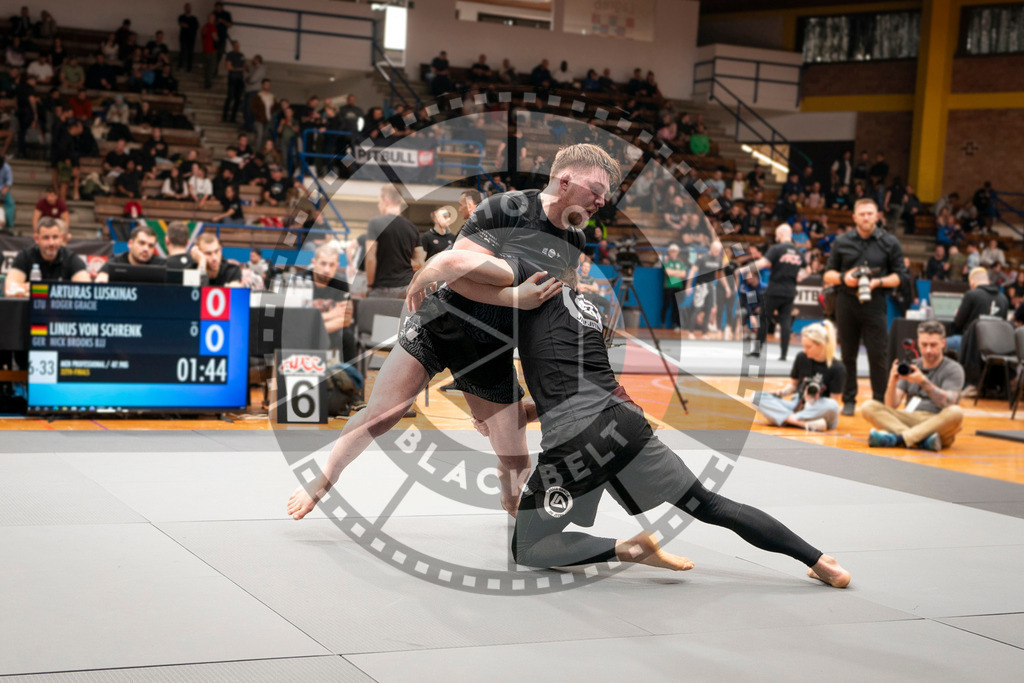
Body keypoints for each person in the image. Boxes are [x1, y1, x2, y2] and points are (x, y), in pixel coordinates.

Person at [298, 247, 853, 588]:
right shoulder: (595, 313)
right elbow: (574, 383)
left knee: (528, 548)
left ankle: (626, 548)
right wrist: (510, 408)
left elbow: (459, 271)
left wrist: (462, 286)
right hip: (628, 425)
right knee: (709, 504)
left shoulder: (534, 294)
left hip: (573, 448)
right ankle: (819, 558)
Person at [288, 143, 622, 520]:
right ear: (565, 181)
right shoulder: (504, 209)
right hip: (442, 322)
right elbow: (455, 275)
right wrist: (513, 296)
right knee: (382, 414)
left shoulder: (573, 240)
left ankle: (517, 519)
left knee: (516, 463)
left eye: (605, 194)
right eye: (596, 190)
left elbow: (554, 300)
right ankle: (325, 477)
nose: (602, 200)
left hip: (493, 350)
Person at [823, 198, 907, 415]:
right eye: (862, 214)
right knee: (848, 353)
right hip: (846, 301)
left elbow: (900, 276)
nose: (866, 217)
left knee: (878, 354)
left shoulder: (890, 242)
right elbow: (827, 274)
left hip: (875, 301)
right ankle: (849, 399)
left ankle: (879, 401)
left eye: (870, 213)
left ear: (877, 216)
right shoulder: (841, 241)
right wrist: (844, 277)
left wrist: (878, 282)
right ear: (854, 217)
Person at [862, 321, 965, 452]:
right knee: (868, 407)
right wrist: (892, 382)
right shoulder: (911, 366)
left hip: (936, 422)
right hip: (909, 419)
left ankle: (899, 439)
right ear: (918, 343)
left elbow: (948, 402)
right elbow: (891, 405)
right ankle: (921, 441)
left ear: (943, 343)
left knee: (956, 412)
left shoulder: (953, 369)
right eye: (924, 344)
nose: (928, 350)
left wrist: (923, 381)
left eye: (933, 345)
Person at [751, 321, 844, 431]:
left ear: (821, 345)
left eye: (808, 347)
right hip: (797, 405)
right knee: (756, 397)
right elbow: (794, 386)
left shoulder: (837, 367)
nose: (804, 350)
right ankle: (802, 423)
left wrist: (812, 401)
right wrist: (782, 392)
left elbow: (835, 402)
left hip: (818, 409)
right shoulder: (801, 357)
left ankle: (783, 419)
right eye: (803, 346)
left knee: (832, 405)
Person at [746, 224, 803, 360]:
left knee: (764, 319)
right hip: (789, 291)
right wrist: (796, 276)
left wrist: (745, 269)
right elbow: (805, 272)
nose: (776, 238)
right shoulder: (798, 252)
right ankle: (783, 354)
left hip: (774, 289)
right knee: (785, 322)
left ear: (782, 234)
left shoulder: (777, 248)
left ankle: (757, 351)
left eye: (777, 235)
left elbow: (762, 263)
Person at [5, 216, 91, 296]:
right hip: (30, 310)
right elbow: (9, 290)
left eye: (55, 237)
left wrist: (35, 289)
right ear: (36, 239)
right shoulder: (25, 256)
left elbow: (87, 290)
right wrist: (47, 290)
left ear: (61, 238)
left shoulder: (71, 258)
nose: (51, 243)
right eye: (46, 238)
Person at [365, 185, 424, 299]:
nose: (379, 205)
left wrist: (370, 285)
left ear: (386, 201)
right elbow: (420, 261)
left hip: (382, 288)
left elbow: (370, 257)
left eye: (379, 202)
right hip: (406, 287)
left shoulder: (375, 223)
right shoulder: (412, 228)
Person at [947, 266, 1009, 360]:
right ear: (987, 281)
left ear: (972, 282)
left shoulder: (971, 295)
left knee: (942, 343)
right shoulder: (1004, 299)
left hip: (972, 344)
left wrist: (957, 315)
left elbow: (958, 323)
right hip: (996, 347)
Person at [307, 243, 355, 361]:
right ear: (314, 262)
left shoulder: (341, 283)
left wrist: (314, 324)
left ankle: (350, 377)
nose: (327, 269)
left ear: (337, 266)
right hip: (304, 332)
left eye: (331, 265)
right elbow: (299, 320)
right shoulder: (302, 281)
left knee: (348, 336)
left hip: (330, 330)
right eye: (323, 263)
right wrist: (332, 314)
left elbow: (346, 319)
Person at [95, 224, 167, 282]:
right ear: (130, 243)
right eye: (142, 243)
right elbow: (101, 281)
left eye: (151, 246)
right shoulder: (115, 262)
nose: (146, 249)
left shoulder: (161, 265)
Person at [661, 243, 687, 331]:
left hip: (678, 286)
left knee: (676, 307)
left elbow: (683, 274)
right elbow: (668, 272)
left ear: (677, 252)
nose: (673, 253)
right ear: (669, 252)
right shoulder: (666, 262)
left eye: (675, 251)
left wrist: (673, 272)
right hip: (668, 286)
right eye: (672, 251)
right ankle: (663, 323)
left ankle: (675, 324)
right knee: (666, 305)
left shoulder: (680, 262)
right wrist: (677, 272)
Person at [222, 41, 245, 124]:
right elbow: (229, 67)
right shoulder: (230, 55)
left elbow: (244, 66)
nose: (237, 47)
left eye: (238, 46)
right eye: (236, 46)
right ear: (233, 46)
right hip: (232, 78)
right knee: (230, 97)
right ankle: (224, 116)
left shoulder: (241, 55)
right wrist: (238, 69)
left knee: (238, 99)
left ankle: (233, 118)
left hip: (239, 79)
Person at [178, 3, 199, 72]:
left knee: (190, 53)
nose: (188, 9)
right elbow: (182, 24)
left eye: (189, 7)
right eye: (186, 7)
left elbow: (196, 27)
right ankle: (180, 65)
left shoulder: (194, 18)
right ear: (184, 8)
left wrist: (188, 26)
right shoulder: (181, 17)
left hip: (191, 38)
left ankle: (189, 68)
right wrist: (189, 26)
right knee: (183, 52)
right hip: (183, 38)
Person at [200, 13, 218, 89]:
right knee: (211, 68)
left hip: (205, 50)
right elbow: (215, 37)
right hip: (211, 50)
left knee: (207, 68)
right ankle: (208, 83)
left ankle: (206, 83)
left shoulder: (204, 27)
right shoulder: (212, 27)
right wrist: (218, 39)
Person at [0, 156, 15, 229]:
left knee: (10, 203)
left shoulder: (7, 167)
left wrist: (5, 189)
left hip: (3, 190)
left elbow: (9, 182)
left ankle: (9, 225)